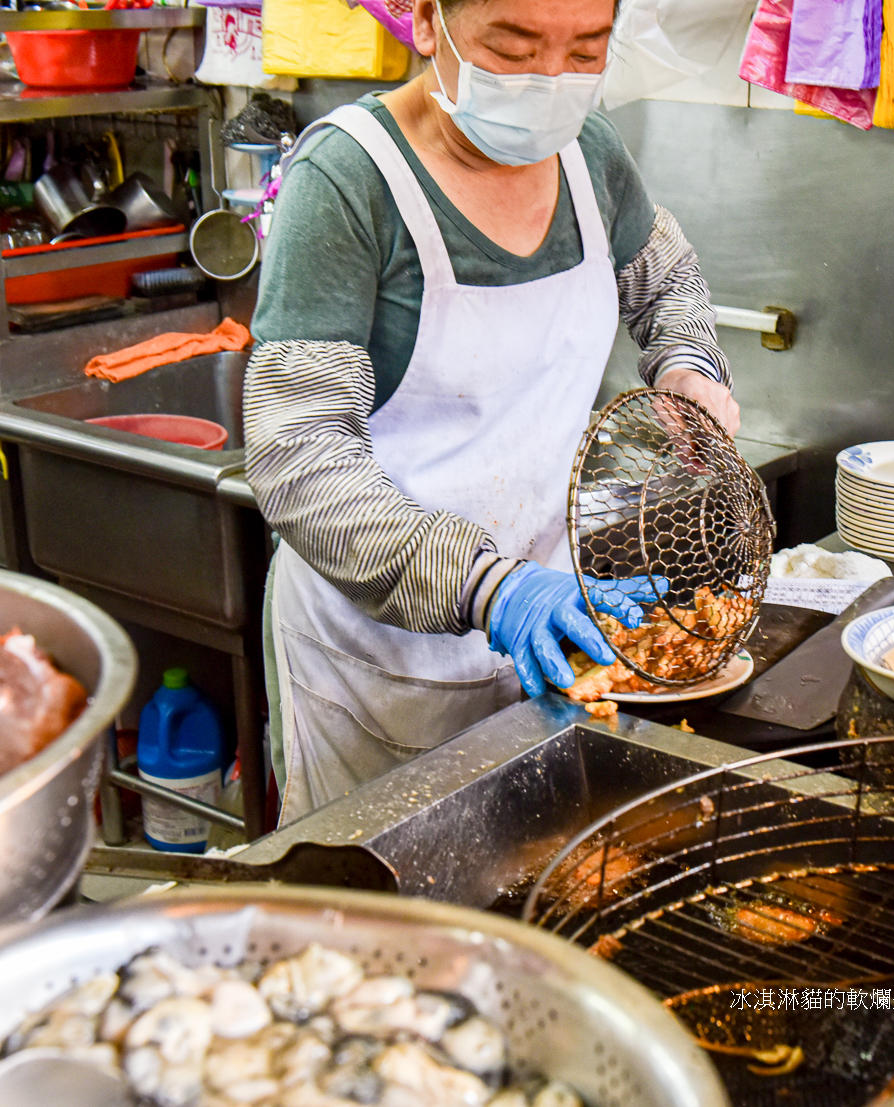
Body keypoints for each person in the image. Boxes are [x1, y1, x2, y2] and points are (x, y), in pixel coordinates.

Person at [244, 0, 740, 824]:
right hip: (379, 668)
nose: (549, 82)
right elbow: (299, 457)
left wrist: (686, 364)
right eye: (512, 47)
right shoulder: (348, 181)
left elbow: (668, 280)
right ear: (427, 21)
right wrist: (491, 589)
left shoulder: (590, 156)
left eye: (585, 49)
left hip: (546, 642)